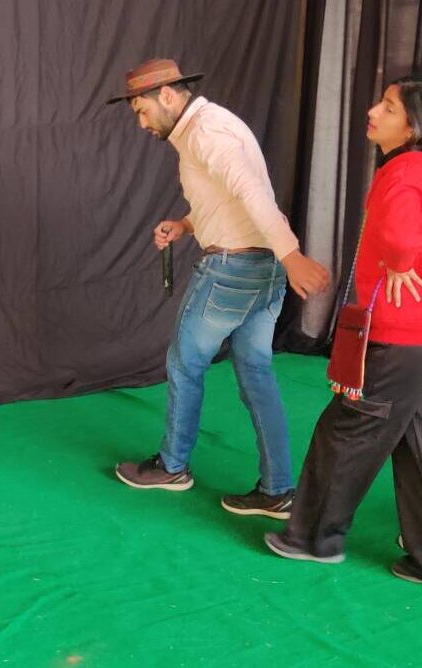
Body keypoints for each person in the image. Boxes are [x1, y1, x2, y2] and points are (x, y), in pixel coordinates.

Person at [264, 77, 422, 595]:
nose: (372, 111)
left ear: (413, 126)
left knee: (346, 432)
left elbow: (397, 234)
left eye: (387, 107)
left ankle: (313, 540)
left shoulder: (406, 169)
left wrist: (400, 260)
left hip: (401, 336)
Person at [106, 58, 330, 519]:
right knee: (256, 373)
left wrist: (293, 256)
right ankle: (278, 489)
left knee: (184, 363)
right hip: (263, 268)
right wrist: (186, 225)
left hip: (234, 270)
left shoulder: (206, 133)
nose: (141, 124)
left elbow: (252, 194)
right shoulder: (209, 126)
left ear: (167, 95)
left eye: (142, 111)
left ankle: (172, 466)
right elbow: (225, 196)